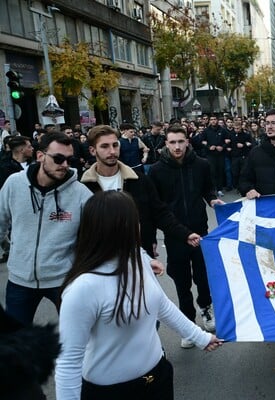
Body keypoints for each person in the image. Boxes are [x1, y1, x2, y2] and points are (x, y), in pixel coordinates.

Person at [55, 191, 223, 399]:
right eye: (134, 221)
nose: (140, 227)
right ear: (114, 228)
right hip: (110, 392)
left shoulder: (139, 261)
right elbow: (68, 361)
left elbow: (162, 305)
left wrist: (200, 337)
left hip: (157, 378)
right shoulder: (83, 288)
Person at [0, 133, 92, 324]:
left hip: (64, 280)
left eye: (69, 159)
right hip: (19, 280)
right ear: (40, 156)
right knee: (15, 344)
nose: (65, 164)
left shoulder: (80, 193)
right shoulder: (14, 184)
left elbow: (106, 231)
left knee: (80, 339)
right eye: (58, 158)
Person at [148, 124, 224, 340]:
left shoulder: (202, 165)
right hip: (174, 235)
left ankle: (206, 309)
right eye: (172, 142)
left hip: (200, 231)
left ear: (188, 142)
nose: (177, 146)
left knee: (203, 276)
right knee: (181, 281)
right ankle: (188, 323)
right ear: (166, 144)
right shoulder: (156, 170)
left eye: (181, 141)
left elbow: (208, 188)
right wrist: (152, 237)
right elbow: (154, 207)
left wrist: (212, 199)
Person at [81, 125, 200, 259]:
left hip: (139, 256)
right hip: (100, 258)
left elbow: (159, 213)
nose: (112, 151)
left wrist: (185, 234)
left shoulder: (139, 180)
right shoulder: (83, 187)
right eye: (105, 146)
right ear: (92, 150)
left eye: (115, 145)